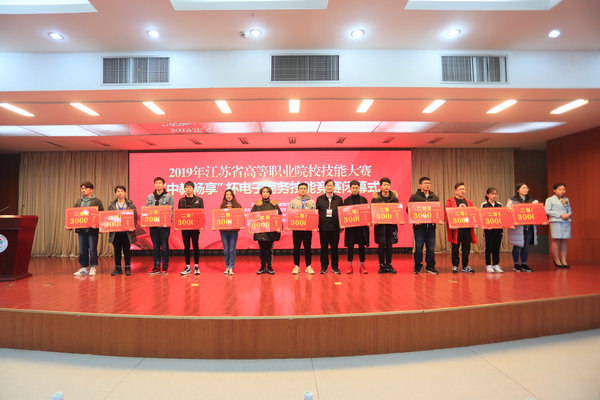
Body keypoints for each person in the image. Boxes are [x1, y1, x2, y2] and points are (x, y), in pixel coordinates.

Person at [408, 176, 440, 275]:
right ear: (420, 185)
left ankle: (430, 267)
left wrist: (438, 219)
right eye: (425, 183)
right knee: (418, 248)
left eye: (429, 183)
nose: (427, 185)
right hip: (419, 227)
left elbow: (437, 211)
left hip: (431, 227)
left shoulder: (434, 197)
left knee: (431, 248)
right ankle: (417, 266)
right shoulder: (414, 197)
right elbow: (409, 209)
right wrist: (414, 220)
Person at [73, 181, 104, 276]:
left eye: (85, 188)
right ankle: (84, 268)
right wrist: (70, 225)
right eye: (82, 188)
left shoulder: (97, 201)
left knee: (92, 249)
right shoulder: (79, 201)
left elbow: (101, 214)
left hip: (92, 230)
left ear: (91, 190)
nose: (83, 190)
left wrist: (97, 224)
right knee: (82, 250)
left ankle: (93, 267)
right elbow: (73, 214)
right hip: (81, 230)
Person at [445, 182, 477, 274]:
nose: (462, 191)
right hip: (456, 230)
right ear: (455, 191)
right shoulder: (450, 201)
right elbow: (446, 214)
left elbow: (473, 214)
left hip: (467, 229)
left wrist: (475, 222)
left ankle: (465, 266)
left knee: (466, 248)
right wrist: (452, 223)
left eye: (463, 189)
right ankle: (455, 265)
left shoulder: (468, 202)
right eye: (460, 189)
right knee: (455, 248)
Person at [146, 177, 174, 275]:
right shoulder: (150, 197)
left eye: (160, 183)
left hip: (164, 226)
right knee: (156, 247)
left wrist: (168, 221)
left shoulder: (169, 196)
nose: (158, 184)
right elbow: (147, 210)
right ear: (154, 185)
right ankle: (156, 266)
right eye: (156, 183)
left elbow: (171, 210)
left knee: (165, 247)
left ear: (163, 185)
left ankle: (165, 266)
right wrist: (147, 221)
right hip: (153, 226)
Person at [507, 183, 538, 272]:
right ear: (518, 190)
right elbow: (508, 212)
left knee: (526, 246)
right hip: (518, 227)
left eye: (526, 188)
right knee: (517, 246)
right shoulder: (512, 201)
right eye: (523, 188)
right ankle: (516, 264)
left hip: (528, 227)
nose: (525, 189)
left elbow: (536, 213)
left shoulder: (532, 201)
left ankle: (524, 264)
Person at [251, 186, 282, 275]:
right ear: (261, 193)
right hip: (261, 232)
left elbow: (279, 216)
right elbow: (252, 216)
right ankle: (262, 266)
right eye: (263, 192)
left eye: (267, 192)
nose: (265, 193)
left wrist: (279, 227)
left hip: (271, 232)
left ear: (269, 194)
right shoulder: (257, 205)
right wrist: (252, 226)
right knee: (262, 251)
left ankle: (269, 266)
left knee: (269, 250)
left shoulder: (274, 204)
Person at [108, 185, 138, 276]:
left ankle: (127, 268)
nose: (120, 193)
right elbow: (108, 217)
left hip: (127, 232)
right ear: (115, 193)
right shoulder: (112, 205)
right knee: (117, 250)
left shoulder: (130, 205)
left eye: (121, 191)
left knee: (126, 250)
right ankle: (118, 268)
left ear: (125, 193)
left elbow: (135, 216)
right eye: (118, 191)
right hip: (115, 232)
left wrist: (132, 225)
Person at [315, 179, 344, 274]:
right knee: (324, 248)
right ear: (325, 187)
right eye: (328, 185)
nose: (329, 187)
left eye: (331, 185)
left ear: (334, 187)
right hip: (323, 228)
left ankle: (335, 267)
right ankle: (324, 267)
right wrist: (316, 225)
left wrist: (342, 225)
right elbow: (316, 213)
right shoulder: (320, 199)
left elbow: (342, 213)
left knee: (334, 248)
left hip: (335, 228)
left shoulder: (339, 199)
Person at [372, 177, 399, 274]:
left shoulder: (394, 198)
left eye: (388, 185)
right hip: (380, 226)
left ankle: (389, 265)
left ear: (390, 186)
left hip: (391, 226)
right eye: (384, 185)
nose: (386, 186)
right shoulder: (375, 199)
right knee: (381, 246)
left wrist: (399, 219)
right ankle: (382, 265)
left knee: (390, 246)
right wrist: (374, 219)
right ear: (381, 186)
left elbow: (397, 211)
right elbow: (372, 211)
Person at [289, 183, 316, 275]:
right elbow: (289, 215)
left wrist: (314, 226)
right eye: (301, 188)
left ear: (307, 190)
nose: (303, 190)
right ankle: (296, 266)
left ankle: (308, 266)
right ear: (298, 190)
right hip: (296, 229)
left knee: (308, 248)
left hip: (307, 229)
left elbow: (314, 215)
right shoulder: (293, 202)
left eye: (305, 188)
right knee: (296, 248)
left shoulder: (312, 202)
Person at [343, 180, 369, 274]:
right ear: (350, 189)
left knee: (362, 247)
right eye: (353, 188)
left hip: (361, 228)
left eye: (356, 188)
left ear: (359, 188)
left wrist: (368, 221)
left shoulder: (364, 200)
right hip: (351, 228)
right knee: (350, 247)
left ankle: (362, 266)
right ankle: (350, 266)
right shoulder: (346, 200)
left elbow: (367, 212)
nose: (355, 189)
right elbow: (344, 214)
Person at [178, 181, 204, 276]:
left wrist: (201, 224)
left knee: (195, 246)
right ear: (184, 189)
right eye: (187, 187)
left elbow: (201, 213)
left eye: (190, 187)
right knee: (186, 246)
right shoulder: (181, 201)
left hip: (195, 227)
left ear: (193, 189)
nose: (188, 189)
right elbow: (179, 214)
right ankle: (188, 266)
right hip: (185, 227)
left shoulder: (199, 200)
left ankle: (196, 266)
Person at [545, 183, 572, 269]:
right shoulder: (550, 199)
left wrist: (568, 214)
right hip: (556, 221)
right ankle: (556, 259)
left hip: (566, 221)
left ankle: (563, 260)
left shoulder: (566, 199)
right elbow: (547, 210)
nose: (562, 191)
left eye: (564, 189)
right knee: (556, 240)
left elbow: (569, 210)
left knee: (564, 240)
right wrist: (560, 215)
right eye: (560, 189)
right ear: (554, 190)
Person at [219, 189, 243, 275]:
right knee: (226, 250)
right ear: (225, 196)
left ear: (233, 196)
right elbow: (218, 218)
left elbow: (241, 217)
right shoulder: (222, 206)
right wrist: (215, 226)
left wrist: (241, 224)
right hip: (224, 231)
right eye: (227, 195)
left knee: (232, 250)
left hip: (233, 231)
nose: (228, 196)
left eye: (230, 194)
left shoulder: (237, 206)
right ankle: (227, 266)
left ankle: (231, 267)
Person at [481, 187, 504, 273]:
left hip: (498, 230)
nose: (494, 195)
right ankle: (488, 265)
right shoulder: (484, 205)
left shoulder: (500, 205)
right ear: (488, 195)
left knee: (496, 248)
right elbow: (481, 217)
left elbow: (503, 216)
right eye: (492, 194)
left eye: (495, 194)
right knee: (488, 248)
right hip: (488, 231)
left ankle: (496, 264)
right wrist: (486, 226)